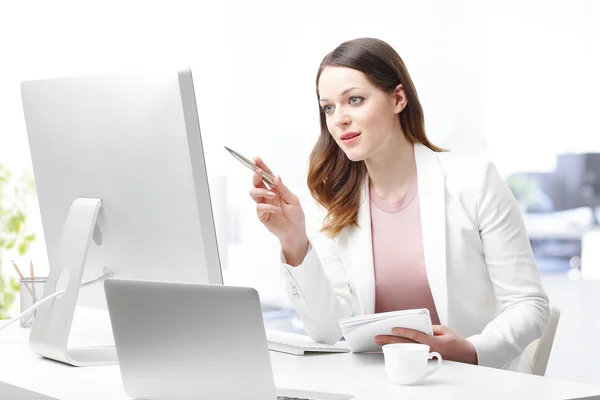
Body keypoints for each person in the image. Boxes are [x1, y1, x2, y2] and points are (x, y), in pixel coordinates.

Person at [248, 37, 549, 370]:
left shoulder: (474, 182)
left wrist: (469, 350)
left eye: (355, 100)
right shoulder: (333, 201)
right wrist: (294, 241)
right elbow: (326, 329)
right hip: (380, 386)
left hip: (468, 383)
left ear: (398, 98)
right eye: (329, 107)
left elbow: (528, 304)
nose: (340, 119)